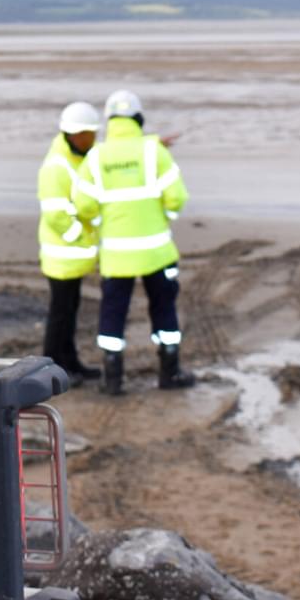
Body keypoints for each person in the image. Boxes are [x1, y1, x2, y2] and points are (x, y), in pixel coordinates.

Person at [73, 88, 195, 395]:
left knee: (113, 314)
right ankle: (170, 373)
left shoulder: (96, 156)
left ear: (109, 121)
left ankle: (112, 380)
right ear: (138, 119)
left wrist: (102, 221)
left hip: (117, 256)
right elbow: (177, 198)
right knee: (164, 309)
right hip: (157, 253)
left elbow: (83, 205)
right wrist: (162, 216)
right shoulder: (154, 152)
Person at [37, 101, 103, 383]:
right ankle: (52, 370)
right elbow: (56, 214)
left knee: (70, 312)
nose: (89, 141)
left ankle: (71, 363)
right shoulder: (57, 166)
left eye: (91, 135)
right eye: (84, 135)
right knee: (60, 316)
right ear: (69, 135)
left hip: (72, 257)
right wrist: (81, 236)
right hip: (62, 257)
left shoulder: (80, 159)